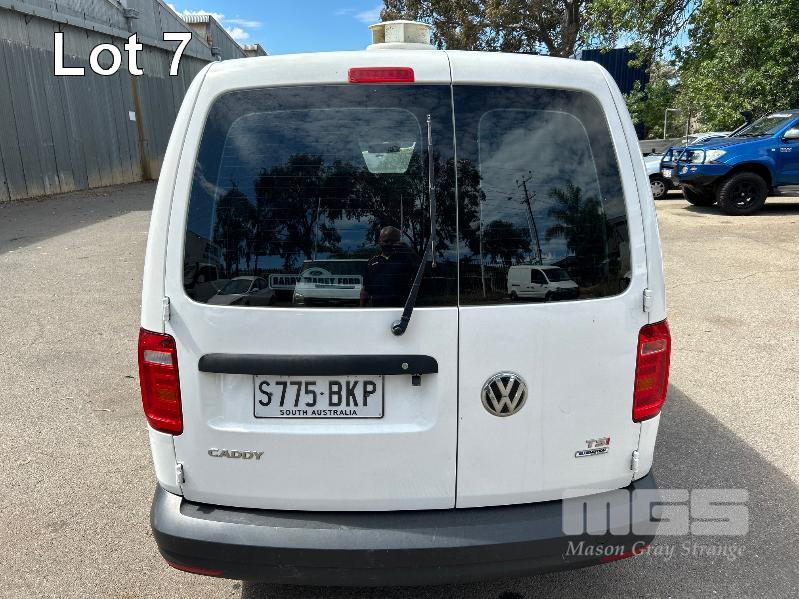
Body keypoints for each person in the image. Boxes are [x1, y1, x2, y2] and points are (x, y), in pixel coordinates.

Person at [360, 226, 418, 307]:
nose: (390, 244)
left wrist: (409, 250)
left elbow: (423, 275)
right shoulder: (372, 262)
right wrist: (361, 310)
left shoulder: (407, 260)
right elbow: (366, 289)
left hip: (403, 310)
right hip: (378, 310)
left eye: (394, 241)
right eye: (386, 241)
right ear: (380, 241)